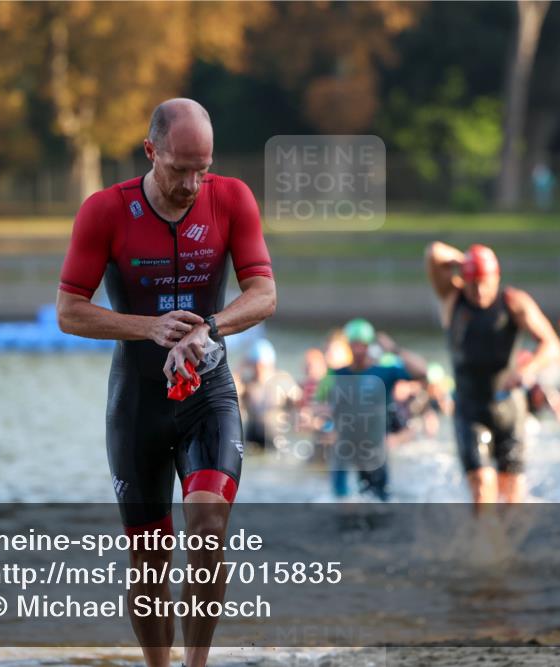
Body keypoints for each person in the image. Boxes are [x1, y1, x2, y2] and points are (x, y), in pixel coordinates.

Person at [56, 98, 276, 667]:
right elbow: (69, 311)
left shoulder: (230, 199)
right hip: (138, 404)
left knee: (206, 529)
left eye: (202, 168)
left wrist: (211, 327)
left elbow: (264, 293)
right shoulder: (105, 211)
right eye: (180, 169)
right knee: (150, 561)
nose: (192, 183)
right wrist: (149, 328)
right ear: (151, 151)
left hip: (208, 393)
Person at [425, 242, 560, 506]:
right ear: (463, 279)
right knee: (481, 489)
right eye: (472, 281)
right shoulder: (452, 299)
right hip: (469, 409)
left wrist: (527, 369)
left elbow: (551, 344)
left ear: (496, 278)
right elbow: (434, 254)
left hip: (509, 410)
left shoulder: (513, 302)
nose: (478, 290)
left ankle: (505, 546)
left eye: (484, 282)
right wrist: (465, 260)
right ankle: (482, 546)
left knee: (511, 499)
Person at [319, 319, 427, 501]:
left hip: (374, 447)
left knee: (379, 501)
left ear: (370, 346)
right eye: (354, 345)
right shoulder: (337, 374)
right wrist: (324, 425)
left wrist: (395, 349)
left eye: (363, 345)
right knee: (340, 500)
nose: (359, 350)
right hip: (345, 445)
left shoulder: (385, 372)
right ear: (348, 346)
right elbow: (322, 406)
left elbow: (421, 371)